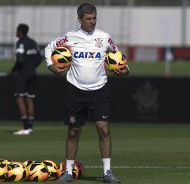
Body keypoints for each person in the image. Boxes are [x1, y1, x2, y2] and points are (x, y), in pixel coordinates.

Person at [44, 3, 129, 183]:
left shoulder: (104, 37)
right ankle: (68, 172)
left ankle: (107, 173)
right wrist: (51, 66)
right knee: (74, 132)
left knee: (103, 129)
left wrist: (124, 69)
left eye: (94, 18)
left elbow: (118, 56)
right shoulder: (69, 37)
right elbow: (48, 48)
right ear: (80, 19)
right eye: (88, 19)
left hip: (99, 90)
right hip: (76, 90)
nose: (92, 22)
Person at [11, 23, 42, 135]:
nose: (16, 32)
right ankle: (30, 128)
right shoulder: (33, 42)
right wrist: (32, 67)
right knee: (29, 98)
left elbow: (19, 59)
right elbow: (39, 58)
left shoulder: (20, 43)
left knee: (19, 97)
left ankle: (25, 128)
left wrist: (14, 70)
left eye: (17, 30)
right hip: (33, 73)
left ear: (20, 32)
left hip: (23, 73)